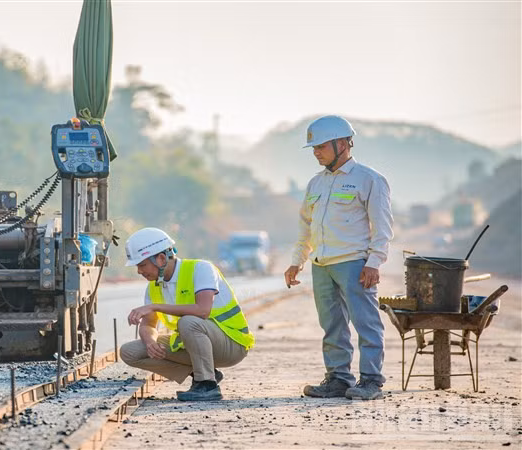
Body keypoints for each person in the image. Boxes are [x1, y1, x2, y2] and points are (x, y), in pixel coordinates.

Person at [284, 115, 394, 401]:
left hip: (354, 263)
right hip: (321, 264)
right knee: (331, 324)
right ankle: (338, 378)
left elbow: (382, 228)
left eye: (321, 146)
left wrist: (374, 263)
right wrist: (297, 261)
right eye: (314, 148)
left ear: (343, 144)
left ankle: (371, 380)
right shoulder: (315, 184)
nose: (316, 152)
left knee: (366, 323)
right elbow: (305, 226)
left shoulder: (369, 180)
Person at [119, 227, 254, 401]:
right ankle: (204, 372)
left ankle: (207, 385)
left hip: (232, 344)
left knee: (189, 322)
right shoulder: (153, 287)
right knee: (129, 352)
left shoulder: (201, 269)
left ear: (161, 259)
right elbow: (148, 325)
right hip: (196, 345)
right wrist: (150, 341)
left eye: (142, 265)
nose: (139, 271)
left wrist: (155, 306)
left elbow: (203, 310)